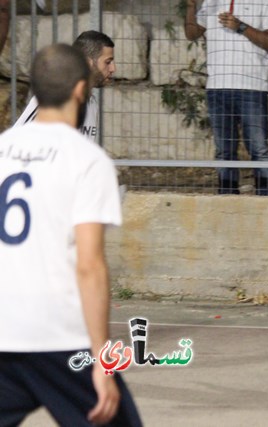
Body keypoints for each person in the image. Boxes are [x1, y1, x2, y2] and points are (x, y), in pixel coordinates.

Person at [0, 44, 141, 426]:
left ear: (35, 91)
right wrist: (101, 359)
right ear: (81, 90)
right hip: (57, 337)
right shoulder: (87, 160)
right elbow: (90, 266)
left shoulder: (1, 150)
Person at [184, 0, 268, 196]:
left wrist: (241, 27)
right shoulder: (211, 2)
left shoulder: (267, 1)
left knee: (259, 149)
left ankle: (266, 199)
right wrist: (191, 6)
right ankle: (227, 199)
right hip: (217, 88)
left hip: (252, 87)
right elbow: (192, 33)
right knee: (224, 151)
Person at [14, 30, 116, 141]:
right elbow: (15, 142)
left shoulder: (92, 104)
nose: (113, 69)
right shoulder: (52, 97)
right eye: (107, 62)